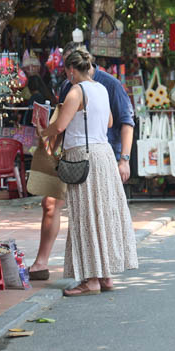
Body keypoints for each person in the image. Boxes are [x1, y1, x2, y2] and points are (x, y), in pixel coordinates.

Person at [28, 43, 135, 281]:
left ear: (71, 70)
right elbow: (108, 122)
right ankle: (105, 276)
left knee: (85, 217)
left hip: (81, 157)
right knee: (101, 215)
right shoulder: (101, 89)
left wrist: (43, 131)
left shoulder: (77, 90)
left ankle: (91, 281)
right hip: (103, 154)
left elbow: (60, 126)